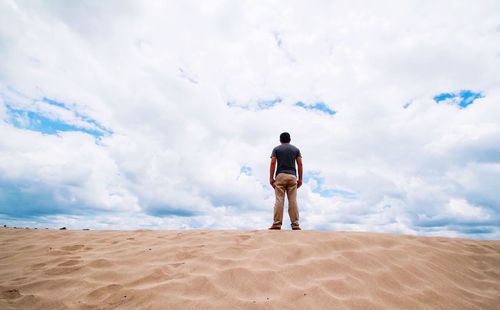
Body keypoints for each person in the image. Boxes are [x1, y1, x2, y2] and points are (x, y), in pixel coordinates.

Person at [268, 132, 303, 230]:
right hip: (292, 176)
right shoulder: (296, 149)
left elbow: (273, 163)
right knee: (293, 200)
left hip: (280, 176)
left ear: (280, 140)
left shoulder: (276, 149)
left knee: (279, 199)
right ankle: (295, 224)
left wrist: (271, 178)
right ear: (290, 139)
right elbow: (300, 164)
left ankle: (277, 224)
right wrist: (300, 179)